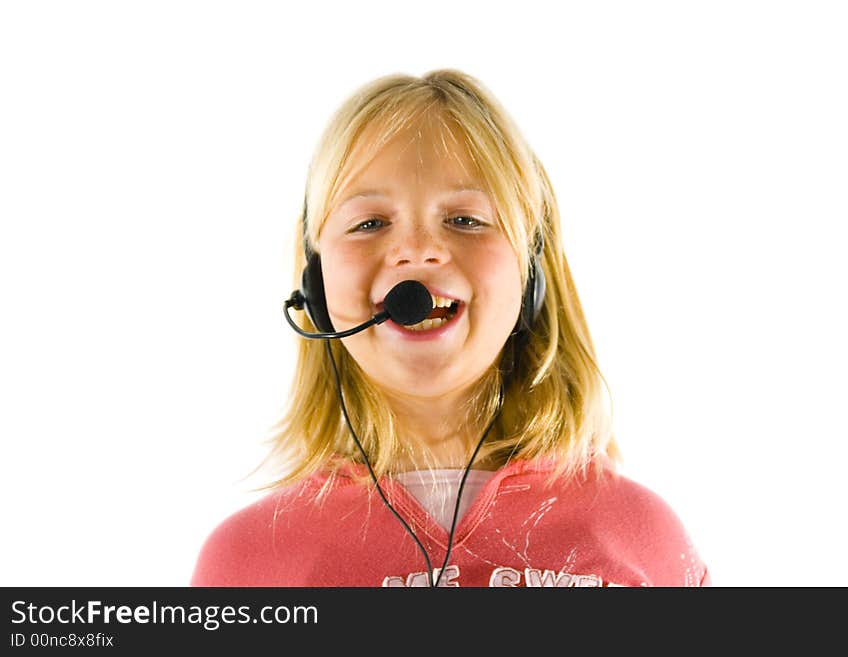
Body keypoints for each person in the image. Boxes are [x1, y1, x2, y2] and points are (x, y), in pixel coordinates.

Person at [190, 68, 711, 587]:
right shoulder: (249, 562)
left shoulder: (640, 539)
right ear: (317, 285)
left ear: (530, 276)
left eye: (465, 219)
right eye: (368, 223)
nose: (416, 250)